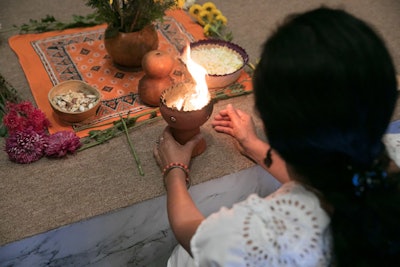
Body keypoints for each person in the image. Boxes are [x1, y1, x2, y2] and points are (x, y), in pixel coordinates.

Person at [153, 6, 400, 266]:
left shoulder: (267, 237)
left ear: (277, 129)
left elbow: (194, 235)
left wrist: (175, 171)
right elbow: (330, 183)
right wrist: (254, 146)